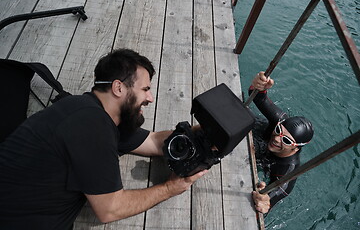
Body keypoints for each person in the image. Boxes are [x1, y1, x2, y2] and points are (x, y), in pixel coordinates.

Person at [0, 49, 208, 229]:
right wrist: (170, 189)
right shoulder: (92, 126)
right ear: (118, 88)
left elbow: (153, 141)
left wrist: (202, 132)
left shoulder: (88, 111)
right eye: (145, 89)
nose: (150, 98)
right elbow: (110, 209)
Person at [250, 71, 314, 214]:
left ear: (296, 148)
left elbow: (269, 200)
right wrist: (259, 85)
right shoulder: (281, 120)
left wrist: (265, 201)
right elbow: (258, 96)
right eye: (279, 129)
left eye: (286, 140)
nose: (277, 138)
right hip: (258, 132)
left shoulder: (288, 170)